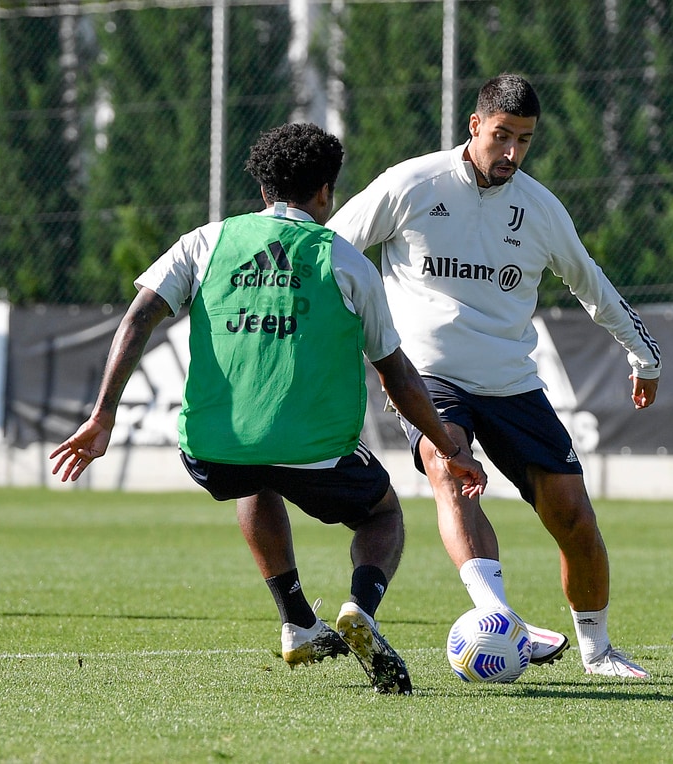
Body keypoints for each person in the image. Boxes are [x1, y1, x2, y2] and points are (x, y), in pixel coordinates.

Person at [49, 122, 487, 695]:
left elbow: (138, 318)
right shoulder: (346, 261)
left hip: (211, 450)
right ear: (326, 192)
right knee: (381, 515)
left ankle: (298, 621)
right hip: (316, 454)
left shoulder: (205, 241)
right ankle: (361, 607)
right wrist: (449, 447)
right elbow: (397, 374)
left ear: (263, 189)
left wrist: (103, 415)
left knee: (252, 473)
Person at [328, 73, 661, 678]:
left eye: (524, 140)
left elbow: (591, 284)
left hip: (510, 381)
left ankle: (598, 650)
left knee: (573, 517)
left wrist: (644, 355)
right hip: (426, 373)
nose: (511, 152)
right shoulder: (411, 183)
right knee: (448, 467)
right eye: (501, 135)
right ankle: (499, 618)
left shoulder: (540, 209)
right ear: (475, 124)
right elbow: (330, 251)